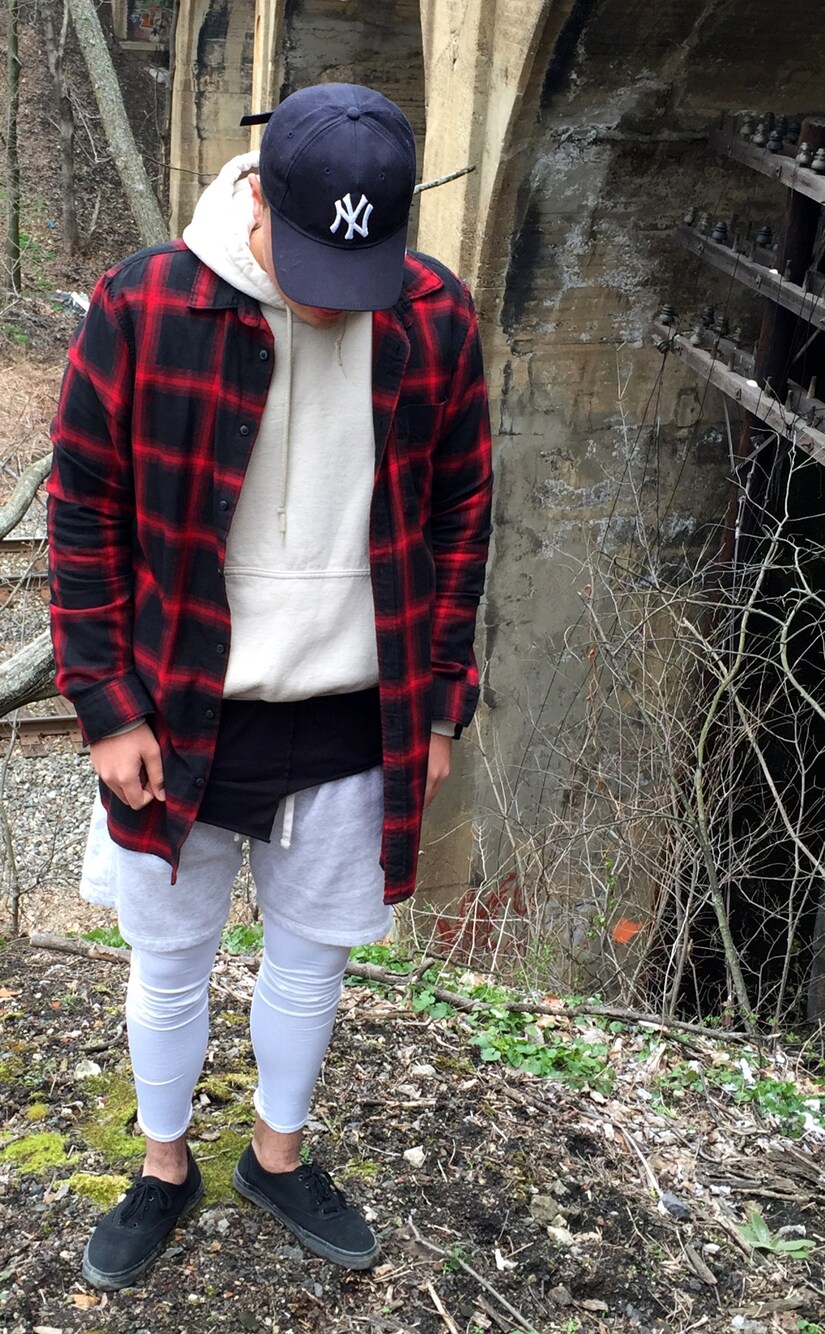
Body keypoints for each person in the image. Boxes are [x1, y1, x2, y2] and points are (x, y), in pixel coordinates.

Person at [47, 82, 492, 1291]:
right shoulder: (147, 305)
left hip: (355, 708)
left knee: (313, 957)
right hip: (178, 702)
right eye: (310, 266)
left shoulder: (435, 316)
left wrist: (438, 700)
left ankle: (275, 1158)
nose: (332, 299)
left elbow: (462, 514)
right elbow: (82, 510)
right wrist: (105, 703)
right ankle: (163, 1167)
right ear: (257, 203)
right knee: (168, 959)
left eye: (359, 272)